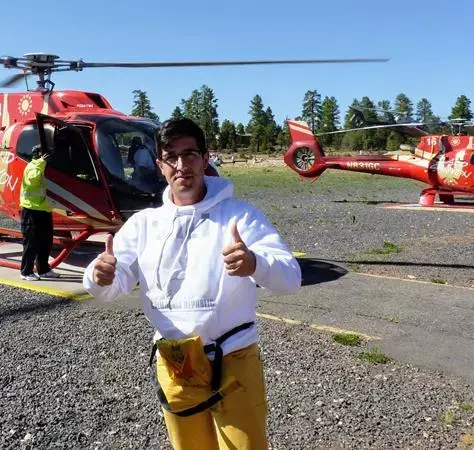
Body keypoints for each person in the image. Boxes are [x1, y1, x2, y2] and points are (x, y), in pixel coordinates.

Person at [82, 118, 302, 449]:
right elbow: (112, 283)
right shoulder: (143, 225)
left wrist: (256, 263)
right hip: (175, 364)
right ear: (159, 164)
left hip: (233, 361)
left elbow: (291, 277)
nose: (181, 165)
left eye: (190, 154)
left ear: (205, 157)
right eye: (171, 156)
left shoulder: (239, 216)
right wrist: (99, 276)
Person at [19, 145, 60, 281]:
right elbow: (33, 181)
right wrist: (41, 162)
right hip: (31, 210)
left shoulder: (44, 166)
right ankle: (26, 272)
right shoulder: (32, 166)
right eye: (44, 154)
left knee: (46, 242)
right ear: (38, 154)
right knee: (31, 243)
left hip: (44, 209)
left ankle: (43, 269)